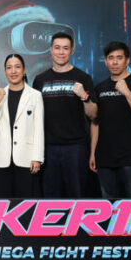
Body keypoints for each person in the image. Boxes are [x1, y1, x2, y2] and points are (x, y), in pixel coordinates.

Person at [33, 32, 96, 198]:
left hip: (76, 147)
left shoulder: (83, 78)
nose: (61, 52)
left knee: (76, 196)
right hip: (48, 148)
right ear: (51, 50)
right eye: (57, 48)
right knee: (50, 198)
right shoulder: (40, 80)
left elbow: (93, 115)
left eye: (65, 48)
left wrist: (84, 96)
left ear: (72, 50)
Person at [89, 41, 131, 199]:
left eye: (119, 58)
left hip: (130, 157)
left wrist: (127, 93)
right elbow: (95, 122)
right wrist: (93, 153)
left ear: (127, 60)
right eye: (111, 58)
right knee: (109, 206)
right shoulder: (100, 88)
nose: (115, 62)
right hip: (104, 157)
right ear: (106, 61)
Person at [0, 54, 44, 198]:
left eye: (17, 67)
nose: (13, 71)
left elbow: (39, 129)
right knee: (1, 201)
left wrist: (37, 157)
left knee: (25, 200)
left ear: (24, 70)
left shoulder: (35, 95)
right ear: (5, 71)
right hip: (0, 158)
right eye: (9, 67)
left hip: (26, 157)